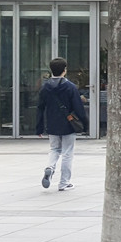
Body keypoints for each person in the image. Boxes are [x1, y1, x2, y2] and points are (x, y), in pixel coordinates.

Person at [35, 56, 88, 192]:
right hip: (68, 124)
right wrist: (85, 124)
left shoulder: (45, 87)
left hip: (52, 124)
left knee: (54, 149)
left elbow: (40, 108)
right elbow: (78, 108)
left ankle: (50, 167)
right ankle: (64, 183)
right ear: (64, 70)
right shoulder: (70, 87)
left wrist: (39, 127)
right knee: (67, 153)